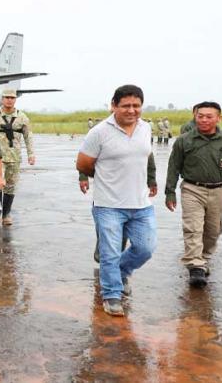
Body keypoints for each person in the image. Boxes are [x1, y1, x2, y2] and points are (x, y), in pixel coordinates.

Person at [76, 84, 157, 317]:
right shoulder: (99, 132)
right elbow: (83, 163)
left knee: (146, 248)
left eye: (136, 105)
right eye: (126, 106)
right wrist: (103, 179)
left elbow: (145, 158)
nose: (131, 110)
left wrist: (150, 181)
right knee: (109, 252)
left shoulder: (146, 128)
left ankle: (121, 272)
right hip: (108, 204)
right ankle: (111, 294)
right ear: (114, 106)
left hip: (141, 204)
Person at [165, 101, 222, 288]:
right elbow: (173, 167)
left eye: (209, 116)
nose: (203, 120)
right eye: (200, 116)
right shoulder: (184, 140)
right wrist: (169, 192)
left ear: (219, 118)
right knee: (193, 227)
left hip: (219, 189)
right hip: (192, 189)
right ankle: (195, 266)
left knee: (214, 230)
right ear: (195, 116)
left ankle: (203, 258)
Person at [0, 89, 35, 225]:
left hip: (14, 157)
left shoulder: (22, 117)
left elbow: (28, 136)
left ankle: (6, 214)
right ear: (2, 99)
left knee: (11, 186)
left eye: (12, 98)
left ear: (15, 99)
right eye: (7, 97)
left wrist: (31, 154)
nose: (9, 100)